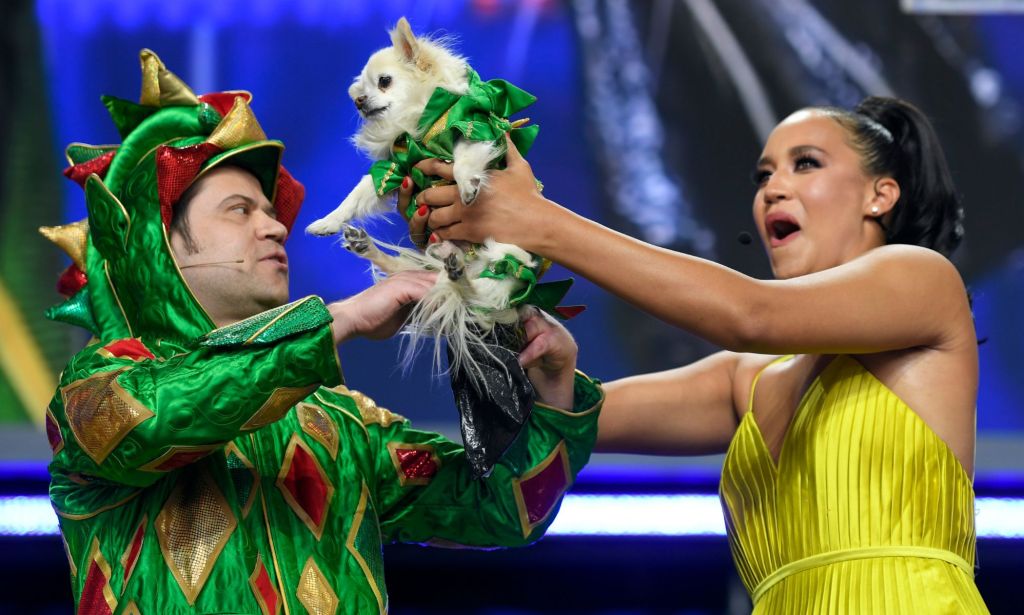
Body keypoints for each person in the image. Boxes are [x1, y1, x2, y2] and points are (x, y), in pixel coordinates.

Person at [41, 50, 603, 615]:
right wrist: (342, 319)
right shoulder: (95, 390)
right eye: (239, 210)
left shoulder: (342, 424)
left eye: (271, 212)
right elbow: (163, 417)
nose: (274, 227)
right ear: (157, 247)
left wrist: (552, 393)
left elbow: (504, 511)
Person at [410, 96, 989, 612]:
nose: (772, 189)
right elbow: (559, 422)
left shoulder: (924, 279)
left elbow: (751, 314)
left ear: (880, 195)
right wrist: (479, 273)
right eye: (763, 175)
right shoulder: (746, 383)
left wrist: (538, 220)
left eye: (806, 163)